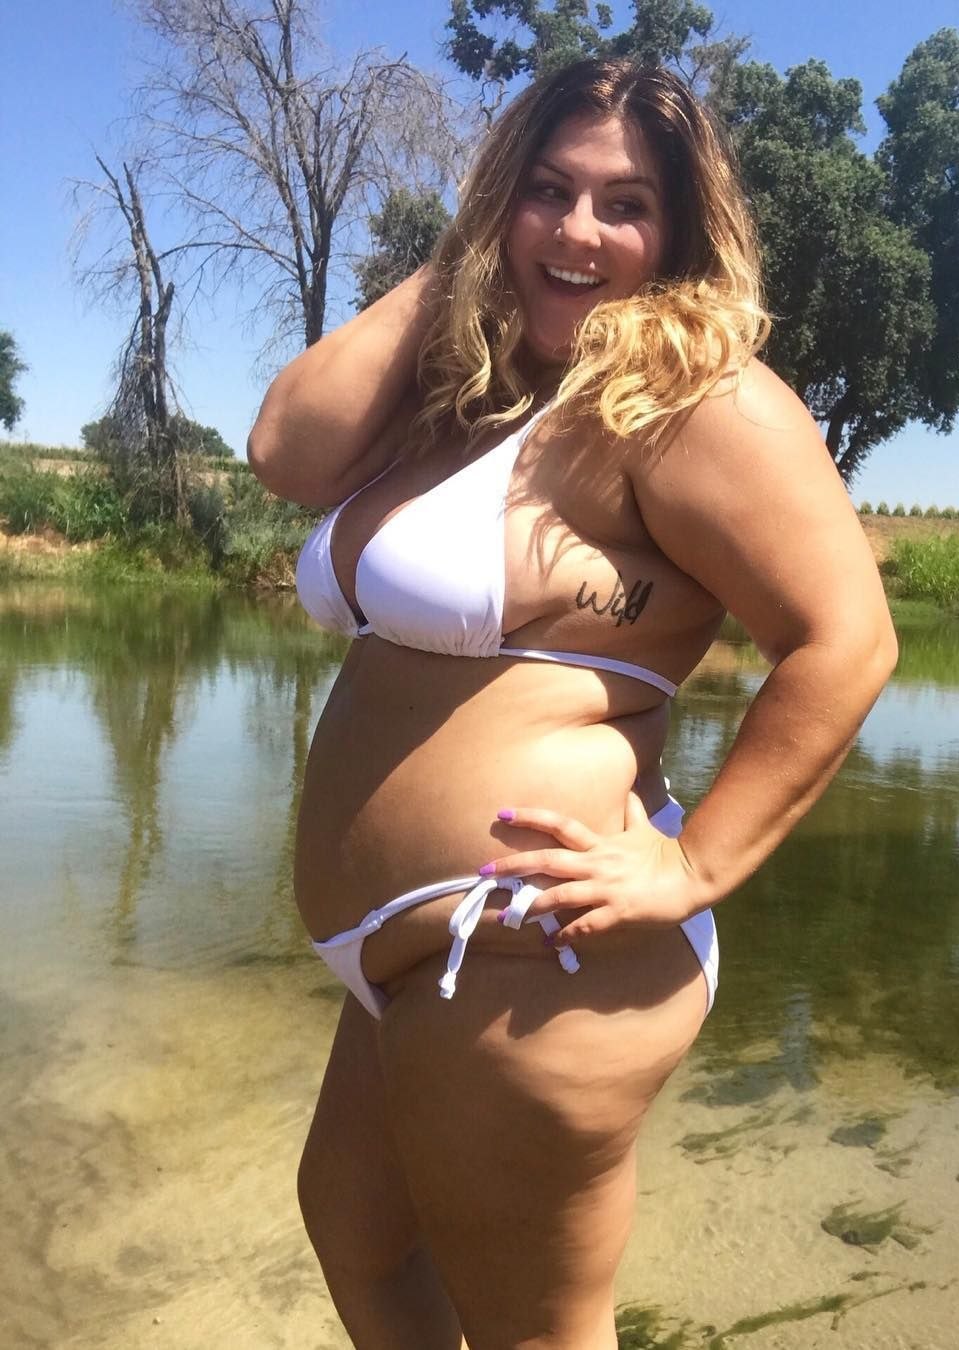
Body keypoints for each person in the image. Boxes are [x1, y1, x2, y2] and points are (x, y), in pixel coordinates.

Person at [247, 57, 897, 1350]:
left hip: (528, 947)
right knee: (358, 1237)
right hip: (417, 960)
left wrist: (693, 866)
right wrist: (468, 252)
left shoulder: (689, 400)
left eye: (624, 204)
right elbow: (284, 450)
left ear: (680, 234)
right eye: (547, 190)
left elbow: (846, 640)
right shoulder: (473, 393)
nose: (580, 230)